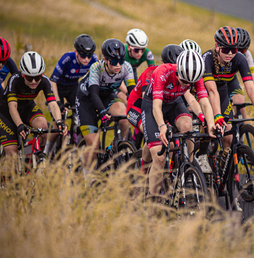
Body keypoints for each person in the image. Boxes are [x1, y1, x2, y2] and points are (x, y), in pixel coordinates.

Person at [141, 50, 216, 196]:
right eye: (185, 81)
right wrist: (162, 127)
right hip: (152, 106)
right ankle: (153, 201)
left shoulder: (196, 75)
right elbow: (157, 107)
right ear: (178, 71)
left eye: (190, 82)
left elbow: (204, 103)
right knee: (160, 157)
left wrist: (210, 123)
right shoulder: (162, 72)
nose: (188, 84)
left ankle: (189, 166)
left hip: (174, 103)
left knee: (188, 126)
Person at [76, 38, 135, 182]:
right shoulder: (97, 67)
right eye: (114, 62)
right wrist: (102, 112)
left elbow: (133, 92)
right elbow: (94, 94)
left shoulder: (126, 67)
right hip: (87, 99)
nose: (118, 65)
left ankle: (113, 148)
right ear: (105, 60)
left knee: (123, 115)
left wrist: (137, 109)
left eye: (121, 61)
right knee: (94, 145)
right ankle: (87, 179)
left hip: (107, 95)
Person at [202, 26, 254, 150]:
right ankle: (203, 153)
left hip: (222, 91)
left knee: (228, 136)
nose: (230, 54)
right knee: (207, 126)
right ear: (217, 46)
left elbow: (250, 87)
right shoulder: (207, 58)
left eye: (234, 49)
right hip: (206, 92)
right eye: (226, 49)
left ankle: (224, 165)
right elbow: (211, 91)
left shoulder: (240, 58)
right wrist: (217, 115)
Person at [0, 51, 67, 156]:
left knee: (43, 127)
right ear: (23, 74)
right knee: (12, 154)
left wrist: (59, 121)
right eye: (29, 78)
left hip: (26, 107)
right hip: (6, 112)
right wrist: (20, 125)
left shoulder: (44, 81)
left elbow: (53, 104)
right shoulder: (15, 80)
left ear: (42, 74)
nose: (34, 81)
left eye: (37, 77)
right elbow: (12, 106)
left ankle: (36, 158)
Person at [127, 44, 183, 170]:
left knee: (169, 140)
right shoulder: (152, 73)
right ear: (163, 63)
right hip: (136, 107)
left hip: (156, 108)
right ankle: (143, 170)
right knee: (153, 134)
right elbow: (149, 101)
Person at [50, 34, 98, 109]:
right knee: (58, 112)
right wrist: (58, 102)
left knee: (81, 108)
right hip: (58, 87)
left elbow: (96, 78)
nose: (86, 59)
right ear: (76, 52)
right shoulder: (67, 58)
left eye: (89, 56)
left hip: (73, 86)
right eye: (83, 55)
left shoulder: (94, 59)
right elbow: (53, 81)